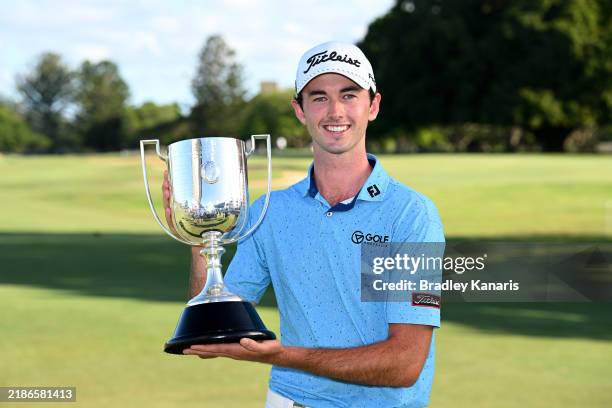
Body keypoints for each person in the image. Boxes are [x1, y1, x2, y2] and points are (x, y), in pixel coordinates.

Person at [163, 41, 445, 407]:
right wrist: (200, 238)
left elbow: (404, 363)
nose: (335, 111)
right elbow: (210, 332)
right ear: (300, 110)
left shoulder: (410, 214)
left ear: (373, 106)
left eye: (349, 95)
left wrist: (282, 356)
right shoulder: (269, 211)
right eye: (318, 98)